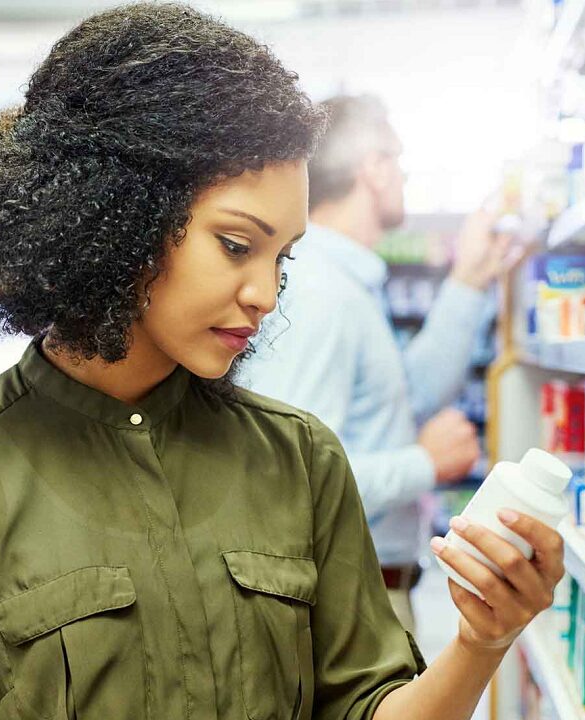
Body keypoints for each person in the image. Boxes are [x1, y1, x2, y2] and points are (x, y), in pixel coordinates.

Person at [0, 5, 562, 720]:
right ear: (120, 217)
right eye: (235, 244)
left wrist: (482, 640)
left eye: (282, 257)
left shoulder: (300, 459)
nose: (265, 294)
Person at [237, 95, 512, 631]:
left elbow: (400, 398)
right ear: (376, 169)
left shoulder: (344, 283)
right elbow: (288, 481)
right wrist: (424, 465)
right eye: (401, 163)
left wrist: (469, 281)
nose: (404, 177)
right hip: (346, 604)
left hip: (362, 591)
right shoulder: (321, 294)